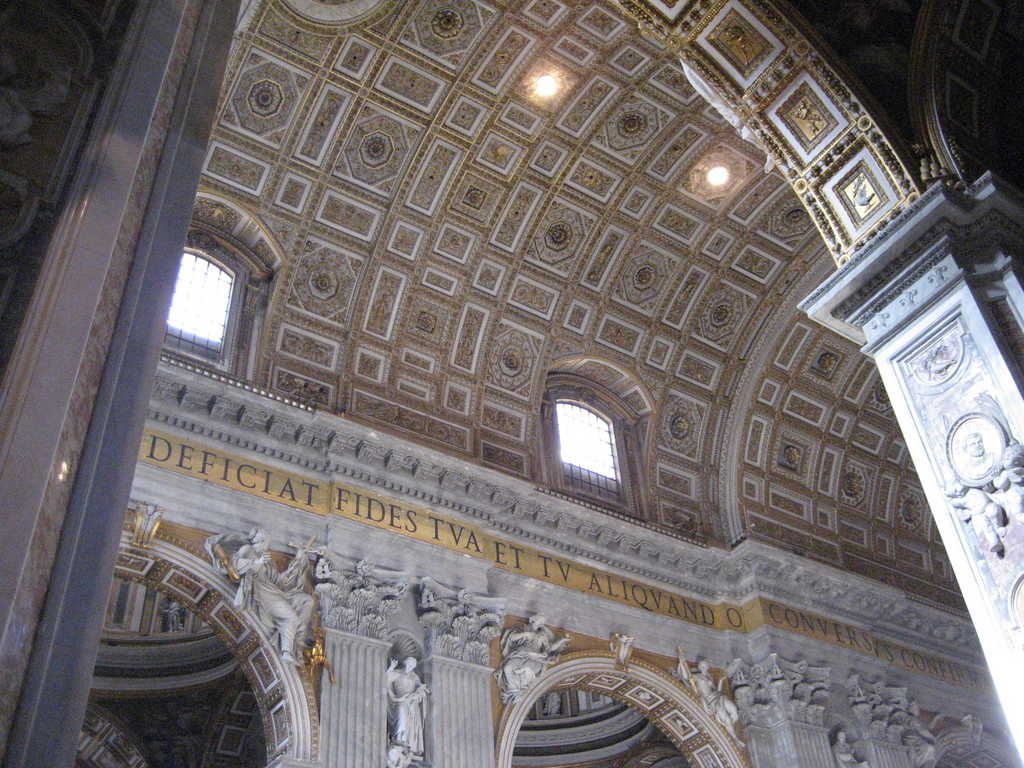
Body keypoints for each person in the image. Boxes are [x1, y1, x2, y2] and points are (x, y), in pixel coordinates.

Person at [205, 527, 314, 664]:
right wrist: (257, 562)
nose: (266, 543)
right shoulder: (247, 550)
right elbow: (236, 567)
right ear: (259, 540)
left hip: (275, 592)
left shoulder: (268, 561)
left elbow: (278, 582)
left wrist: (297, 560)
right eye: (265, 540)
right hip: (261, 593)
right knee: (291, 617)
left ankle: (297, 639)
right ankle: (287, 651)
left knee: (307, 600)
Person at [495, 615, 569, 703]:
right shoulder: (523, 629)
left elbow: (550, 648)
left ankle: (516, 690)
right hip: (520, 653)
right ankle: (513, 690)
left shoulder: (542, 635)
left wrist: (561, 640)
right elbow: (512, 638)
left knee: (526, 670)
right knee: (507, 668)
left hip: (534, 657)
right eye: (539, 621)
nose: (540, 624)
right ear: (532, 621)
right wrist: (525, 634)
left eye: (541, 623)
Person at [386, 657, 429, 758]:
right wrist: (390, 668)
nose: (410, 667)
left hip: (412, 702)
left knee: (412, 711)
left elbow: (421, 689)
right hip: (399, 700)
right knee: (401, 709)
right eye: (409, 664)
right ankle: (399, 738)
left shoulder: (415, 677)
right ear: (405, 663)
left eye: (412, 666)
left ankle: (410, 743)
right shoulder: (396, 673)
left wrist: (419, 693)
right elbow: (385, 680)